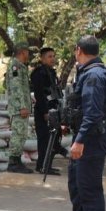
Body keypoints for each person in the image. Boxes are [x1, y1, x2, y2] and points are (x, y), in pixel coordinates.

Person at [57, 35, 106, 211]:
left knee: (89, 188)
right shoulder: (89, 72)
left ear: (79, 50)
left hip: (91, 138)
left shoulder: (93, 75)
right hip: (86, 135)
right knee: (77, 185)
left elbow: (93, 113)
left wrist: (79, 140)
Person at [30, 47, 68, 175]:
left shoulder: (52, 73)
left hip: (54, 109)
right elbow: (39, 95)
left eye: (53, 56)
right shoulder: (38, 73)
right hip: (43, 112)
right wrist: (45, 112)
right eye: (49, 56)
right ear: (42, 58)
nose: (52, 59)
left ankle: (48, 165)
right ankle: (41, 166)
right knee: (45, 139)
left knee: (55, 137)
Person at [5, 42, 34, 174]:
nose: (28, 54)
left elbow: (6, 84)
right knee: (18, 134)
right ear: (23, 52)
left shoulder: (20, 66)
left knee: (21, 135)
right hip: (18, 108)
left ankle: (17, 161)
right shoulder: (15, 65)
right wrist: (22, 106)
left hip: (21, 106)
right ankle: (13, 162)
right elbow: (16, 88)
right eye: (27, 51)